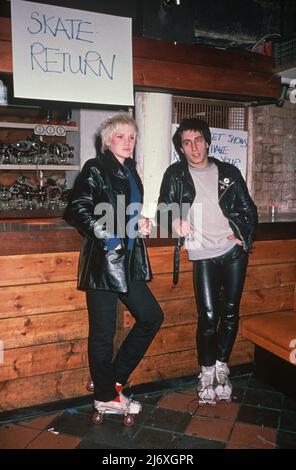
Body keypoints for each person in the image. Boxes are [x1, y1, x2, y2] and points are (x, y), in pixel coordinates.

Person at [64, 114, 164, 416]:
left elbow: (124, 212)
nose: (128, 142)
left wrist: (140, 221)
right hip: (104, 262)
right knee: (103, 332)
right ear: (107, 141)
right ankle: (105, 397)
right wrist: (109, 237)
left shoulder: (130, 170)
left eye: (132, 137)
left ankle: (113, 380)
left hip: (128, 260)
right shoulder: (96, 168)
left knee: (151, 317)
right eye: (121, 136)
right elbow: (76, 208)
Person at [157, 118, 258, 404]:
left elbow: (248, 208)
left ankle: (222, 367)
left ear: (207, 141)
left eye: (198, 140)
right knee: (209, 315)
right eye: (187, 142)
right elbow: (163, 208)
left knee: (230, 311)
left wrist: (244, 237)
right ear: (181, 148)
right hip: (202, 252)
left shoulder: (228, 171)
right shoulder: (175, 174)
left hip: (232, 251)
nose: (194, 147)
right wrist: (175, 220)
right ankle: (206, 370)